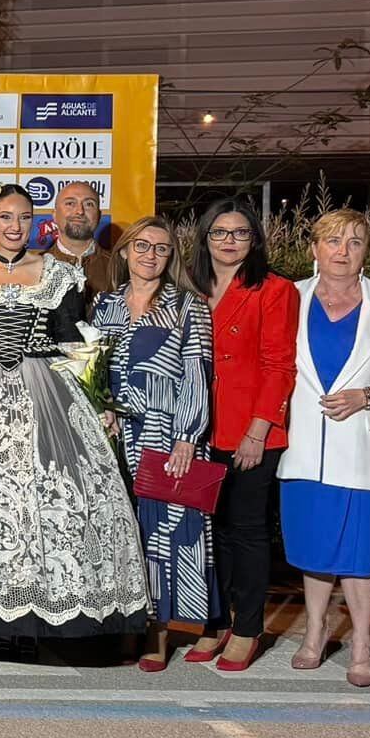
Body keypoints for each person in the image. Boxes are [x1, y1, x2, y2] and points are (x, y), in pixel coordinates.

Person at [0, 183, 147, 651]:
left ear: (35, 223)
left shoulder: (58, 275)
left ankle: (43, 617)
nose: (14, 226)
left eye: (22, 217)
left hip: (47, 394)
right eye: (5, 217)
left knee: (54, 500)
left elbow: (72, 341)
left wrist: (98, 401)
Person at [280, 207, 370, 688]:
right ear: (314, 249)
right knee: (314, 547)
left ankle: (362, 642)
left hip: (363, 443)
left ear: (367, 250)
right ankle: (315, 632)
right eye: (333, 241)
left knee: (360, 552)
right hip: (302, 443)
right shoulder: (288, 297)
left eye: (355, 242)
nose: (343, 251)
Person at [91, 216, 217, 672]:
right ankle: (126, 621)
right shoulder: (103, 305)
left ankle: (158, 634)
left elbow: (198, 373)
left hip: (168, 434)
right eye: (141, 246)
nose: (150, 255)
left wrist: (188, 435)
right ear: (124, 252)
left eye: (161, 248)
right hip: (115, 433)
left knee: (164, 534)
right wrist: (102, 406)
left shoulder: (188, 306)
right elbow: (93, 367)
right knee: (124, 531)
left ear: (171, 257)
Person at [189, 198, 296, 672]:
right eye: (220, 232)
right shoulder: (189, 287)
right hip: (195, 427)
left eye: (240, 233)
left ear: (255, 240)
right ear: (205, 238)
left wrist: (259, 430)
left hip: (250, 429)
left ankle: (249, 627)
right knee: (208, 532)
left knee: (246, 531)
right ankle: (217, 621)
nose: (229, 241)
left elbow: (279, 364)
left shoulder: (275, 289)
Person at [46, 180, 115, 296]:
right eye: (70, 204)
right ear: (54, 215)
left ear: (98, 216)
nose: (80, 211)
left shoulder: (118, 268)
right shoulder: (35, 267)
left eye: (89, 204)